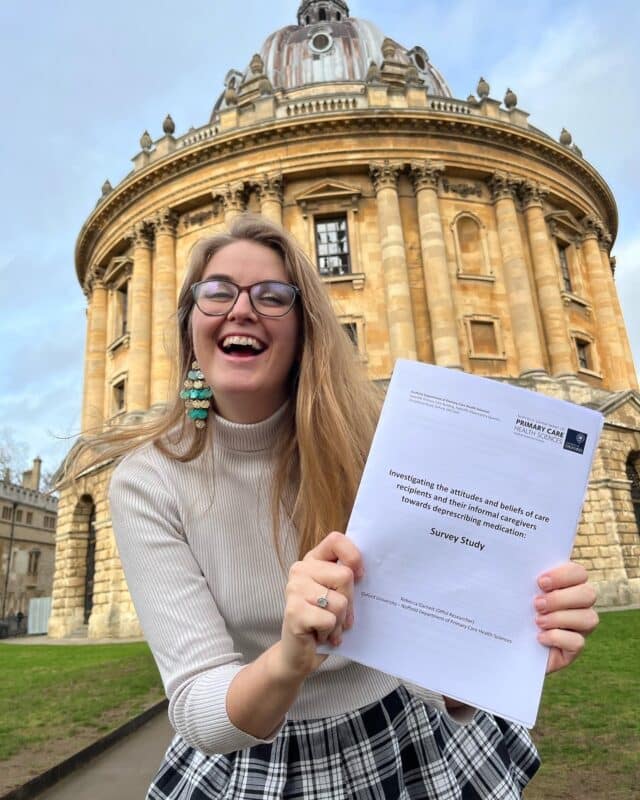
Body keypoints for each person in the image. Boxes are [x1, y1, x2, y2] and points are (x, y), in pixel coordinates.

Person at [76, 215, 598, 799]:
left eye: (272, 297)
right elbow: (197, 704)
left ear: (306, 331)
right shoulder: (147, 481)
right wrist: (291, 657)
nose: (241, 310)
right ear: (189, 327)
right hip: (253, 749)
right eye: (217, 292)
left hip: (403, 731)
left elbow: (428, 655)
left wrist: (505, 650)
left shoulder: (379, 443)